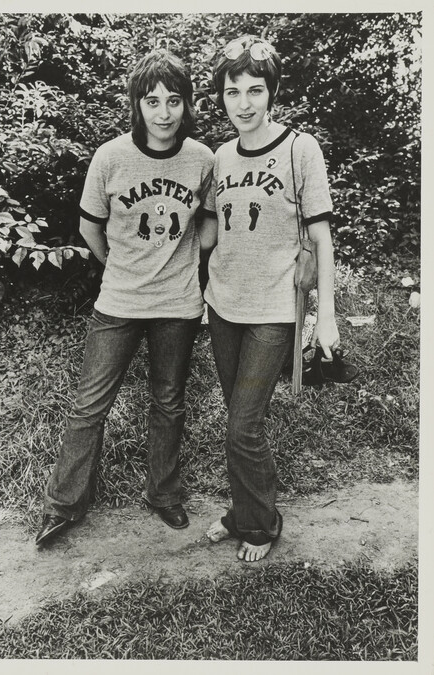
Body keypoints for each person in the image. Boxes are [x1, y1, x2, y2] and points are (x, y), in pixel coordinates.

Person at [36, 49, 216, 546]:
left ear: (186, 105)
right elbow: (89, 226)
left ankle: (163, 494)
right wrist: (121, 262)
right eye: (152, 101)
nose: (163, 112)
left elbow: (209, 224)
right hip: (118, 302)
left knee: (169, 402)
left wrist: (179, 256)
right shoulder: (111, 157)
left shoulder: (202, 158)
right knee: (90, 405)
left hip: (178, 304)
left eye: (173, 101)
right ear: (136, 105)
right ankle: (64, 505)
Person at [204, 35, 340, 562]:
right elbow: (214, 234)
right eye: (232, 91)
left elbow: (322, 239)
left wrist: (325, 318)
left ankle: (262, 523)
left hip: (273, 311)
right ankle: (242, 512)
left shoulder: (299, 148)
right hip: (223, 305)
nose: (243, 102)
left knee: (244, 425)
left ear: (272, 92)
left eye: (254, 90)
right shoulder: (220, 156)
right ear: (222, 97)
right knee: (236, 418)